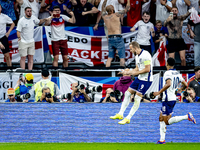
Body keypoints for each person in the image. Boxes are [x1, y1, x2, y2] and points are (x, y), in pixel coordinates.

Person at [152, 57, 196, 144]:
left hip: (168, 99)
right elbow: (185, 84)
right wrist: (180, 89)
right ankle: (162, 140)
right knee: (161, 118)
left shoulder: (167, 73)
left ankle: (187, 116)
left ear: (167, 64)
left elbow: (168, 83)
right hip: (172, 99)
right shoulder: (177, 73)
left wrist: (158, 92)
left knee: (167, 121)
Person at [110, 41, 153, 125]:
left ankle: (128, 118)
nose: (130, 51)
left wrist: (133, 73)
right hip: (140, 78)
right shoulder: (137, 56)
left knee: (137, 98)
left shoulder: (146, 54)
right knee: (127, 93)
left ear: (135, 48)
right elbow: (137, 69)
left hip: (146, 80)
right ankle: (120, 114)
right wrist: (128, 71)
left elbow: (147, 69)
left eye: (130, 49)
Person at [101, 0, 130, 67]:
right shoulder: (116, 14)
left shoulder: (105, 17)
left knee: (110, 57)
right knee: (122, 58)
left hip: (110, 38)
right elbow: (127, 8)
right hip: (118, 38)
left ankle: (107, 73)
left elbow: (102, 9)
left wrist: (105, 1)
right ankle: (122, 74)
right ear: (112, 10)